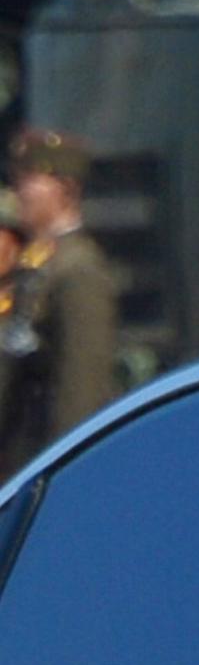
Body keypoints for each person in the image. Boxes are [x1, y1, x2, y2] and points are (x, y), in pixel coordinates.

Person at [0, 127, 119, 472]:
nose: (19, 190)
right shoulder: (39, 265)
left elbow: (79, 393)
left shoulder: (79, 271)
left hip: (44, 466)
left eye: (31, 180)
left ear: (65, 189)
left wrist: (62, 470)